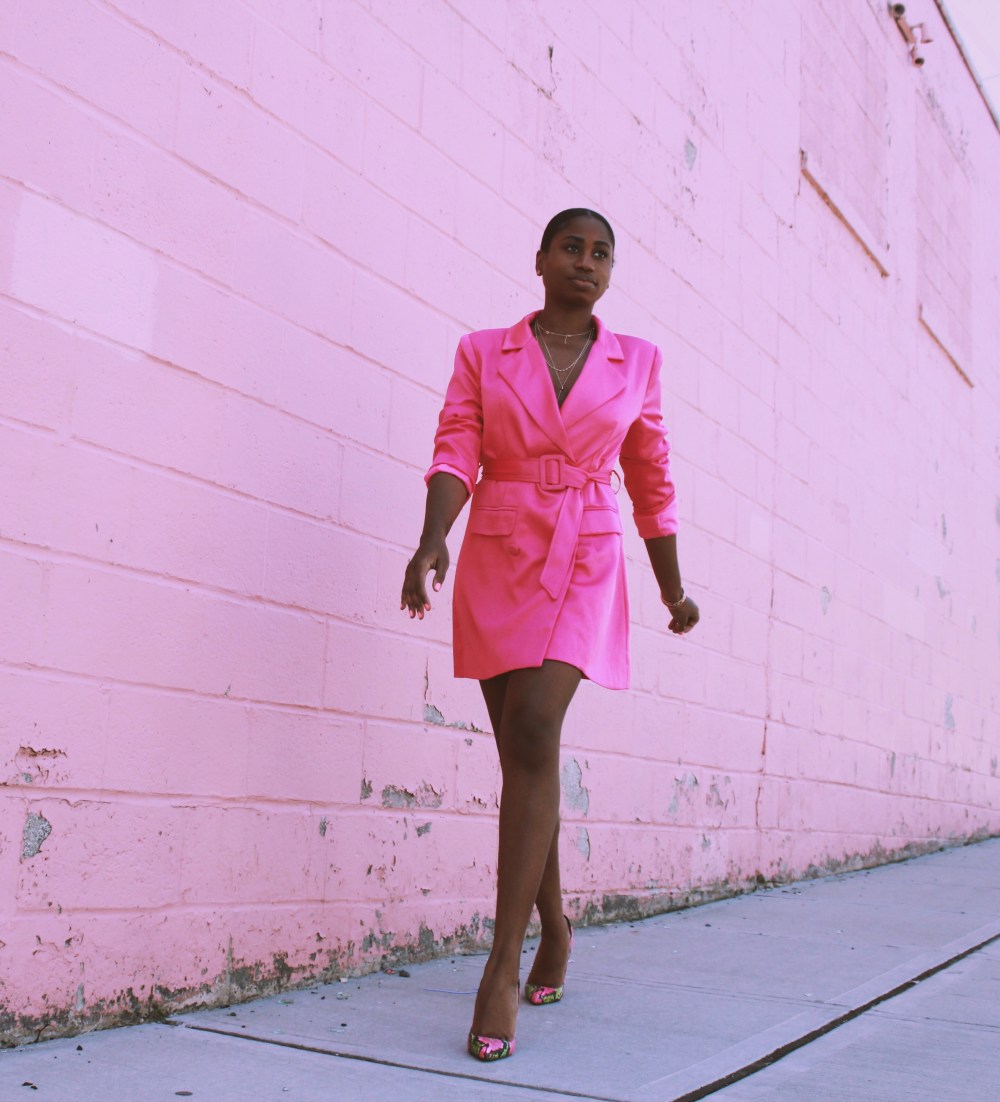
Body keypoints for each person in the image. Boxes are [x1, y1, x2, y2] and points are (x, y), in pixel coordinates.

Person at [400, 208, 699, 1061]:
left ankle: (500, 968)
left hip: (588, 556)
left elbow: (651, 476)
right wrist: (433, 540)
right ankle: (557, 924)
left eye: (602, 252)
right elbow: (458, 445)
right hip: (497, 547)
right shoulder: (480, 351)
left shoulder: (636, 361)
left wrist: (673, 591)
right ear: (540, 259)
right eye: (573, 247)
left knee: (534, 731)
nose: (587, 261)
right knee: (522, 759)